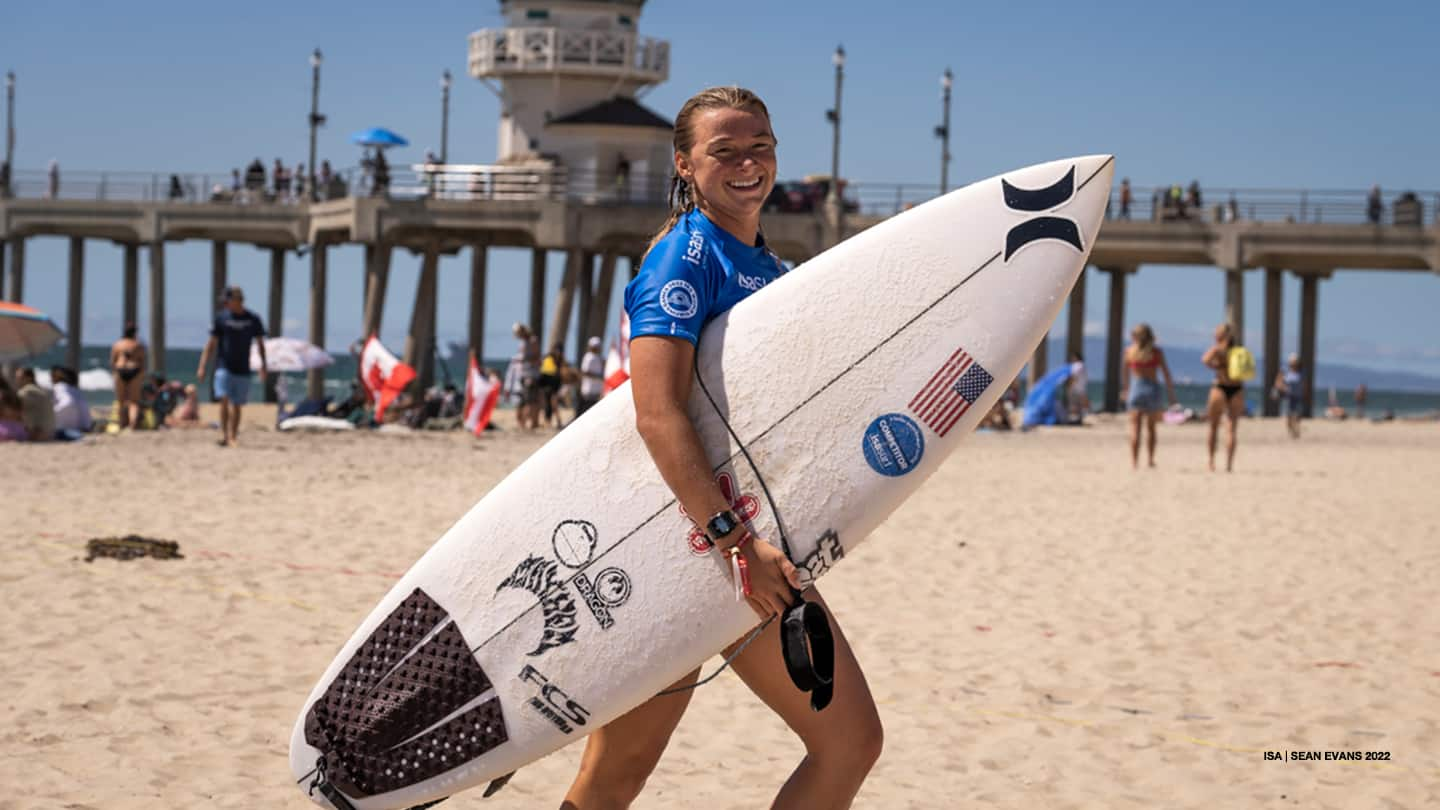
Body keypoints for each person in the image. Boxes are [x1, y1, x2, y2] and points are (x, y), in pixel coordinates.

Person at [560, 85, 882, 810]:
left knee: (620, 775)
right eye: (724, 151)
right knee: (843, 744)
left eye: (759, 147)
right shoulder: (684, 257)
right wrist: (734, 543)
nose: (747, 164)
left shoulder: (767, 267)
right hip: (693, 547)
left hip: (742, 546)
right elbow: (656, 414)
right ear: (684, 163)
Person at [196, 286, 269, 447]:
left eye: (227, 301)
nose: (225, 304)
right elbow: (211, 344)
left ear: (237, 300)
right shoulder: (221, 318)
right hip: (224, 366)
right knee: (223, 399)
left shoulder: (253, 319)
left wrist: (263, 366)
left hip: (243, 367)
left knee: (237, 404)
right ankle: (224, 434)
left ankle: (233, 436)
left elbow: (261, 344)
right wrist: (202, 366)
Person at [1120, 323, 1177, 468]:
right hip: (1152, 388)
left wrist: (1126, 390)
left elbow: (1125, 375)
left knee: (1135, 428)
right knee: (1151, 428)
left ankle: (1134, 461)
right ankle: (1150, 460)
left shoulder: (1129, 352)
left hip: (1136, 388)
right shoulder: (1156, 352)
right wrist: (1171, 394)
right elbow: (1166, 374)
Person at [1201, 323, 1245, 472]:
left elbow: (1205, 360)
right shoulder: (1238, 351)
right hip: (1237, 389)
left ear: (1219, 335)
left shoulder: (1217, 349)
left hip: (1220, 387)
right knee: (1231, 429)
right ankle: (1229, 465)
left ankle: (1211, 462)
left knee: (1213, 427)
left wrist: (1218, 367)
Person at [110, 321, 146, 429]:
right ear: (135, 333)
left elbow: (112, 362)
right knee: (134, 401)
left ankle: (121, 424)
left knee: (120, 401)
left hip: (120, 370)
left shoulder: (117, 344)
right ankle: (133, 424)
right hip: (134, 369)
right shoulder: (138, 345)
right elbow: (142, 362)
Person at [14, 367, 56, 441]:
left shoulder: (26, 392)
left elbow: (12, 408)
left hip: (37, 434)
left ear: (29, 378)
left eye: (19, 378)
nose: (17, 380)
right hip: (51, 432)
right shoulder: (43, 390)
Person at [50, 366, 92, 436]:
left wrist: (50, 413)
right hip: (85, 426)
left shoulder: (59, 387)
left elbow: (68, 402)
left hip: (71, 429)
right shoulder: (75, 389)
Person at [1273, 353, 1303, 439]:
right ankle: (1291, 431)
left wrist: (1304, 393)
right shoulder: (1285, 370)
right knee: (1289, 416)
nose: (1294, 363)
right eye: (1293, 361)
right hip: (1288, 396)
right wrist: (1283, 388)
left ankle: (1296, 431)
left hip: (1298, 397)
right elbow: (1277, 383)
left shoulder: (1301, 371)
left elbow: (1304, 384)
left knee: (1298, 415)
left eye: (1295, 361)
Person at [537, 343, 565, 428]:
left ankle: (555, 421)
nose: (558, 352)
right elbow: (545, 371)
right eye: (557, 350)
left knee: (552, 404)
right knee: (548, 404)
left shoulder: (559, 360)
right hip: (546, 384)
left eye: (560, 350)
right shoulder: (549, 358)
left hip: (554, 384)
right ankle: (548, 421)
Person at [577, 336, 605, 418]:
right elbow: (585, 372)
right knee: (585, 413)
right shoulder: (589, 357)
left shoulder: (598, 358)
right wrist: (598, 376)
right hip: (588, 390)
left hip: (595, 390)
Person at [1065, 350, 1090, 423]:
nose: (1071, 359)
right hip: (1082, 388)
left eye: (1072, 357)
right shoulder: (1083, 365)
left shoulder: (1076, 365)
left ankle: (1074, 420)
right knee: (1080, 405)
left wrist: (1069, 386)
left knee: (1074, 404)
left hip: (1075, 388)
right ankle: (1080, 418)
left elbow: (1074, 377)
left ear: (1075, 358)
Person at [0, 376, 26, 441]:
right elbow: (21, 416)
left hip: (4, 430)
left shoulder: (2, 395)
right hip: (20, 430)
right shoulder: (14, 394)